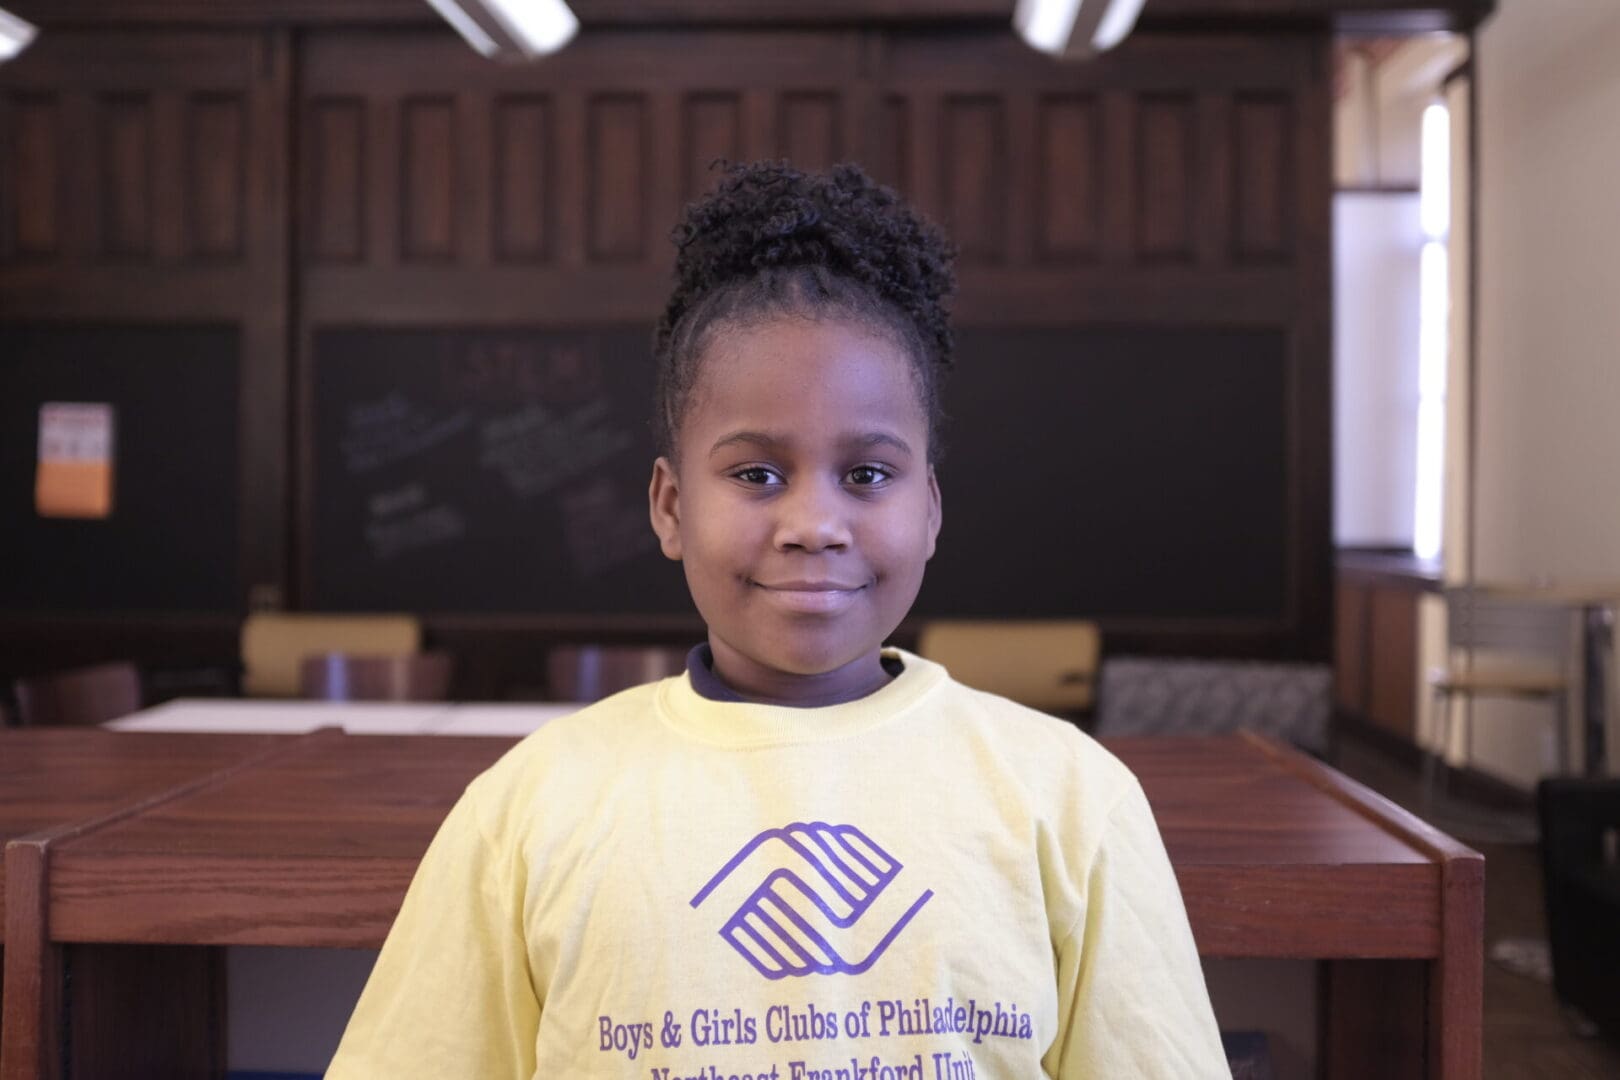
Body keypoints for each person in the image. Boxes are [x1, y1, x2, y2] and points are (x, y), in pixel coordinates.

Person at [327, 161, 1229, 1079]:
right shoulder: (526, 810)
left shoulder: (1071, 799)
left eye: (869, 475)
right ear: (671, 506)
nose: (813, 527)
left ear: (930, 509)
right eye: (756, 474)